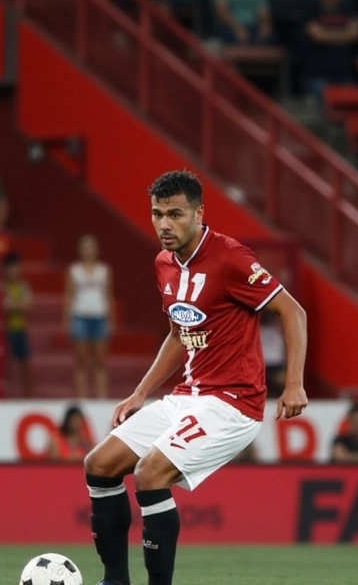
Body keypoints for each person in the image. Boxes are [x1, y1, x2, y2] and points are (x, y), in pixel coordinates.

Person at [83, 170, 308, 585]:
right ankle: (114, 581)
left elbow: (293, 312)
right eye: (157, 214)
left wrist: (293, 383)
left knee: (151, 473)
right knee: (99, 465)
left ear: (199, 213)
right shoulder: (164, 263)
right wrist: (140, 393)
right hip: (186, 396)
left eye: (175, 214)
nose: (165, 225)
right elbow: (177, 333)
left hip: (232, 404)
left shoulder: (231, 258)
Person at [65, 234, 114, 400]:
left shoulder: (104, 270)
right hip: (80, 316)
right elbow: (69, 296)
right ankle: (82, 397)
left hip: (100, 316)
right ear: (80, 250)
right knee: (81, 361)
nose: (89, 251)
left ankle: (101, 397)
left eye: (91, 247)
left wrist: (111, 320)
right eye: (85, 247)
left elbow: (108, 296)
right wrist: (67, 320)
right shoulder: (74, 271)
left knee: (100, 360)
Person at [2, 252, 34, 398]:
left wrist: (13, 306)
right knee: (5, 365)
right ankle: (4, 394)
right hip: (6, 330)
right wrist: (18, 306)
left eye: (17, 267)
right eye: (11, 268)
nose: (15, 271)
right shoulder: (1, 286)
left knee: (26, 364)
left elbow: (28, 305)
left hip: (20, 329)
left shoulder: (22, 286)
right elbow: (2, 306)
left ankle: (28, 396)